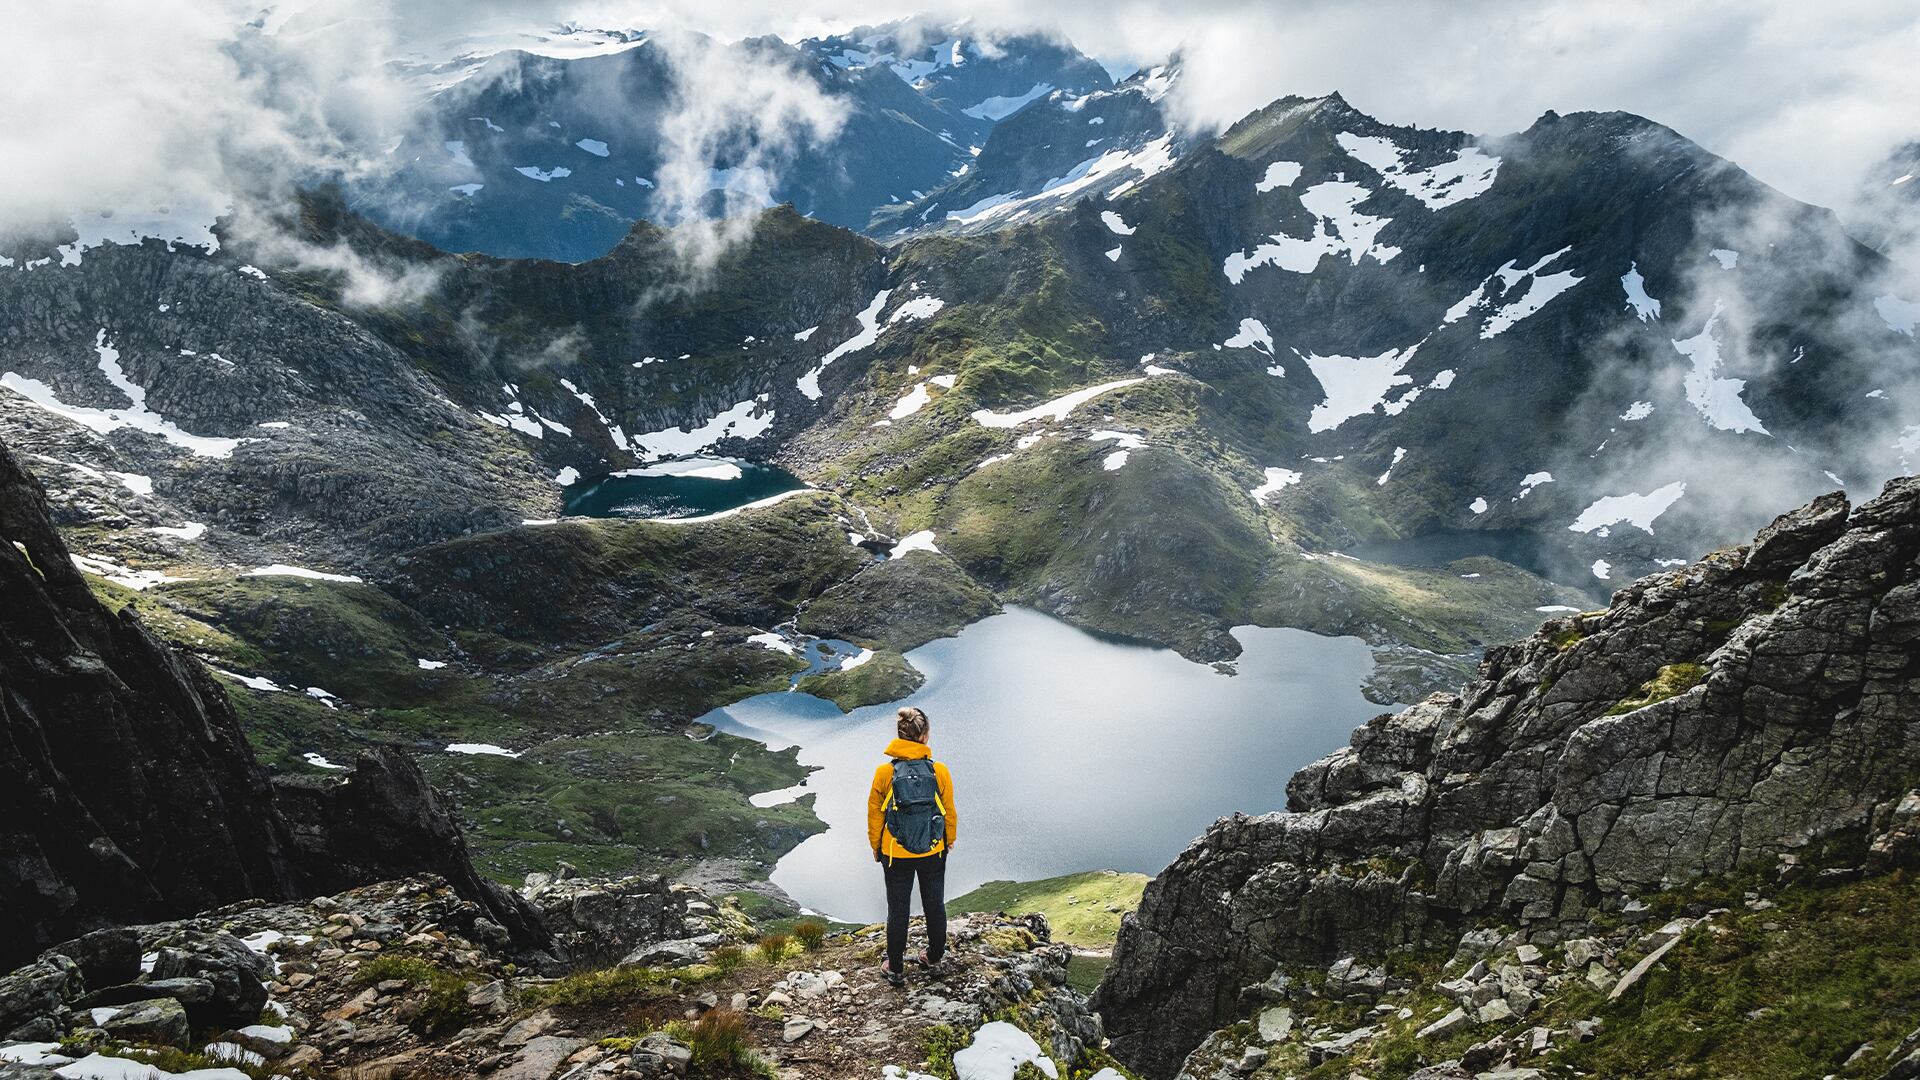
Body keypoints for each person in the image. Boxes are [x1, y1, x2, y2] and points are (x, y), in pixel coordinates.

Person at [868, 705, 956, 987]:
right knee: (934, 903)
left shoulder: (885, 773)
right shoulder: (939, 771)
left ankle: (895, 967)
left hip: (895, 852)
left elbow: (875, 813)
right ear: (925, 736)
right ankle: (934, 957)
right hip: (933, 849)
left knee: (898, 909)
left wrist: (876, 845)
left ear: (899, 735)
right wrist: (948, 840)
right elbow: (948, 812)